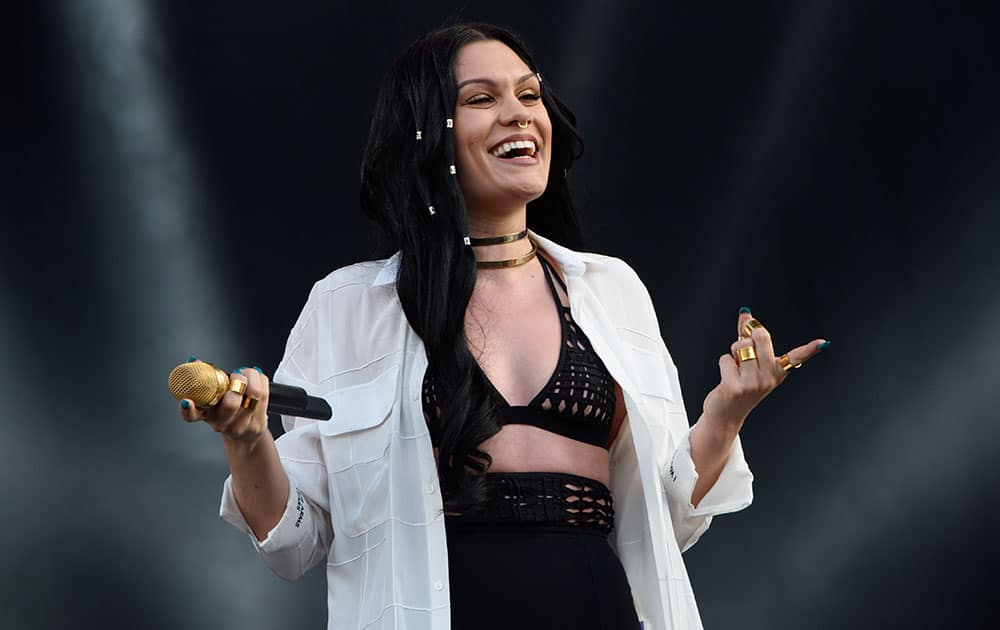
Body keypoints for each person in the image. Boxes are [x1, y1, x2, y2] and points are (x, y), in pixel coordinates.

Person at [178, 23, 828, 630]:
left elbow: (670, 524)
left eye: (530, 94)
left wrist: (725, 415)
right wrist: (245, 440)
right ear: (427, 133)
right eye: (483, 98)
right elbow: (292, 543)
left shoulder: (611, 290)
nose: (520, 112)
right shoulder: (349, 307)